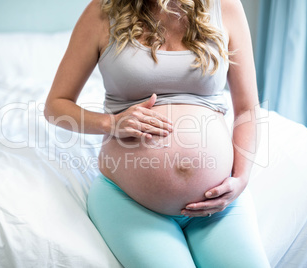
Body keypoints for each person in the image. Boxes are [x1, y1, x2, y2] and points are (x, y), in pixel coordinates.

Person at [44, 0, 271, 267]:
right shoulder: (103, 10)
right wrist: (111, 123)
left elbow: (247, 109)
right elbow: (55, 105)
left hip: (218, 203)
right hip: (130, 201)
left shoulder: (226, 7)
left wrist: (241, 179)